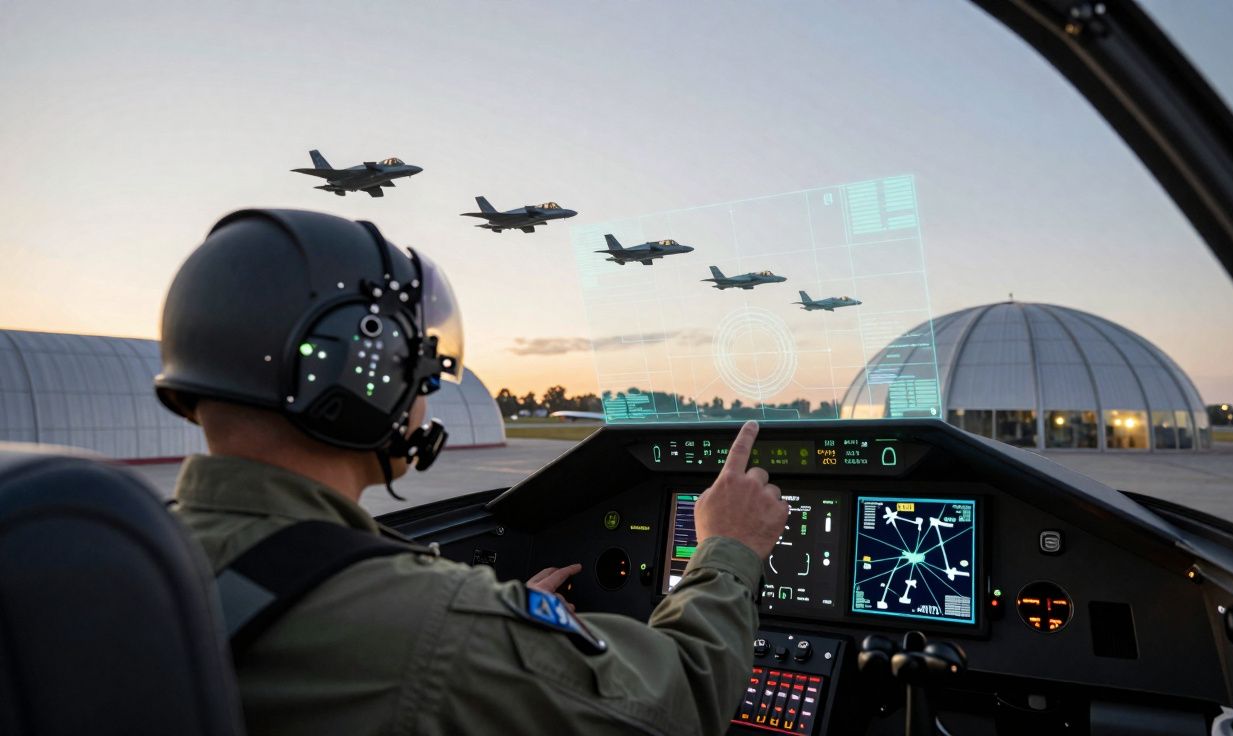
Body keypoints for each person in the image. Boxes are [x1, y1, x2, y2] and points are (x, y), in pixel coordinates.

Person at [156, 208, 791, 735]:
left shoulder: (143, 547)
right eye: (416, 365)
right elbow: (679, 701)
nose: (423, 393)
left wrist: (510, 639)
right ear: (355, 377)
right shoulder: (431, 626)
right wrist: (728, 548)